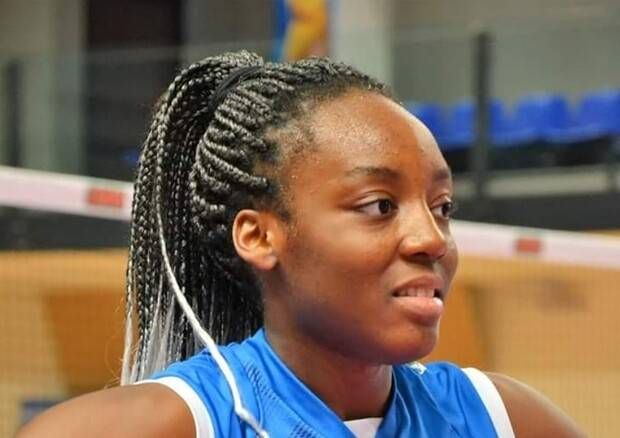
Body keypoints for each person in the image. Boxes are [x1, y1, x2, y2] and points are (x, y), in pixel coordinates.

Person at [18, 51, 584, 438]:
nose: (431, 240)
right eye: (379, 206)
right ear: (259, 235)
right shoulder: (170, 423)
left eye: (442, 208)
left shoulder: (500, 419)